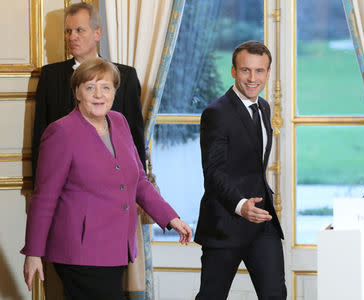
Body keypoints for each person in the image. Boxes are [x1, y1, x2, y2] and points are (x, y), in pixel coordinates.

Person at [22, 58, 192, 300]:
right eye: (90, 87)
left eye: (106, 87)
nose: (98, 95)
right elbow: (45, 197)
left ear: (114, 92)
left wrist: (171, 217)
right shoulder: (61, 132)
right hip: (79, 251)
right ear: (77, 92)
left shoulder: (120, 122)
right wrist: (34, 252)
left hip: (116, 247)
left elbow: (139, 182)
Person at [194, 41, 287, 299]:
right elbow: (213, 172)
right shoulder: (216, 113)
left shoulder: (265, 107)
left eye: (259, 71)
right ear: (233, 71)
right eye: (245, 70)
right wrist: (241, 204)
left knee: (275, 294)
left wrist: (255, 204)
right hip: (225, 222)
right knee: (212, 296)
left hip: (261, 223)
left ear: (268, 73)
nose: (252, 78)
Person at [32, 2, 146, 182]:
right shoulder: (50, 76)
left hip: (114, 183)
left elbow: (135, 137)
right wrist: (39, 185)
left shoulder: (126, 76)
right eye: (68, 31)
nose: (72, 37)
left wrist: (140, 183)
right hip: (63, 185)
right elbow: (40, 136)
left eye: (79, 30)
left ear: (97, 33)